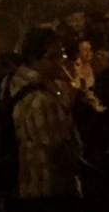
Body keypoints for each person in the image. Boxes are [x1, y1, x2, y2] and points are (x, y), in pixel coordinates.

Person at [11, 27, 81, 202]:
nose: (59, 62)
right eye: (51, 57)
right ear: (34, 59)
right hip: (48, 189)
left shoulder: (14, 80)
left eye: (61, 55)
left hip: (27, 184)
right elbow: (61, 150)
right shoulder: (42, 101)